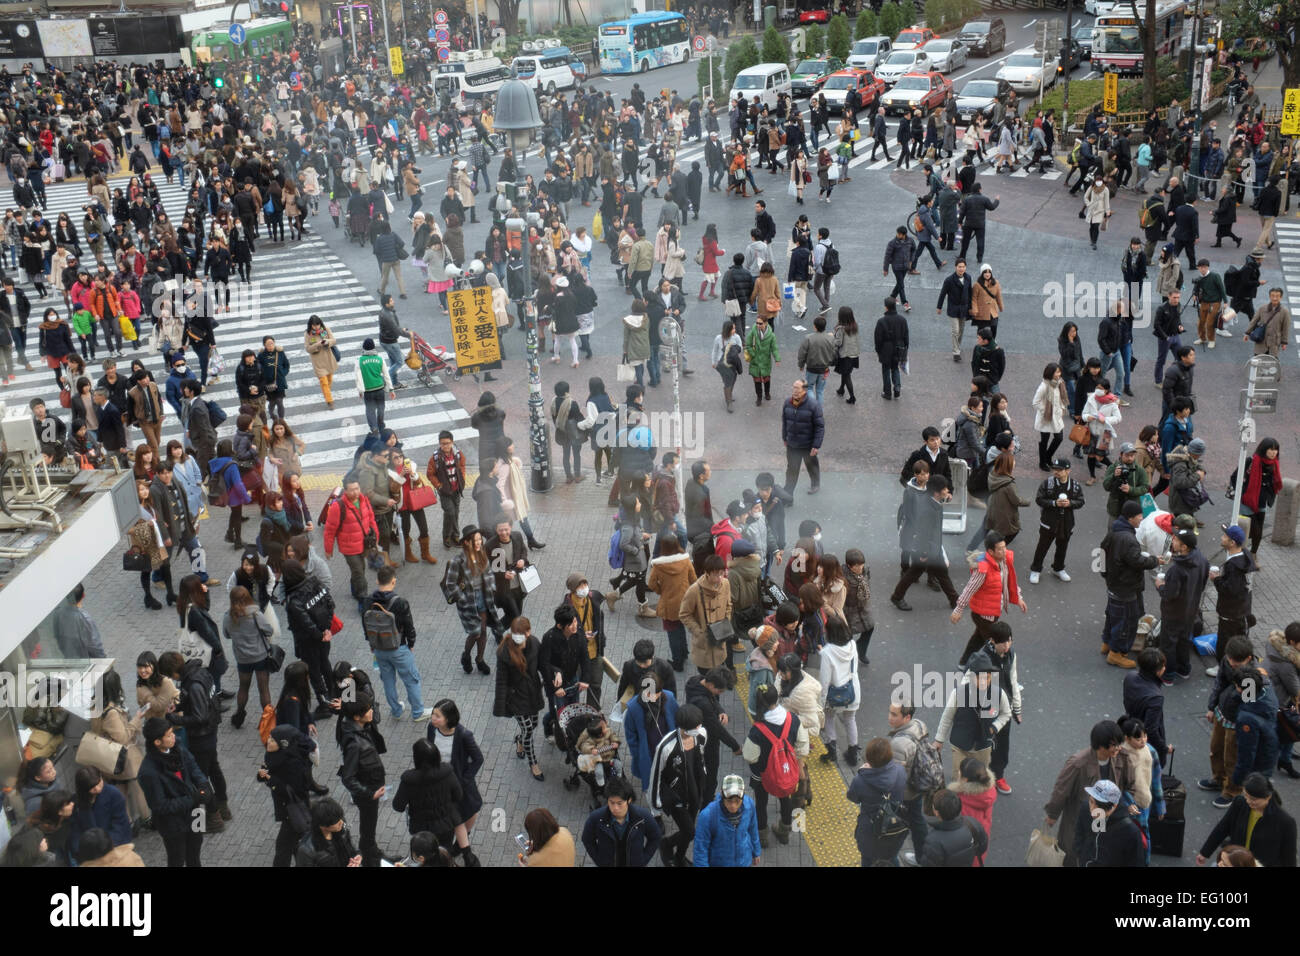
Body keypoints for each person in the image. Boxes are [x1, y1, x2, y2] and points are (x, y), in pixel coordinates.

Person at [1043, 719, 1135, 867]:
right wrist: (1052, 814)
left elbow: (1130, 784)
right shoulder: (1078, 763)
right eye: (1114, 744)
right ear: (1100, 745)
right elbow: (1061, 790)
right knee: (1075, 855)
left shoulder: (1121, 757)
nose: (1118, 748)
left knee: (1102, 854)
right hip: (1080, 819)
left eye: (1119, 743)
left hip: (1108, 819)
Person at [743, 681, 807, 847]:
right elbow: (801, 742)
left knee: (761, 803)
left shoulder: (758, 729)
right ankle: (784, 832)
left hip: (762, 775)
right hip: (785, 771)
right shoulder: (792, 719)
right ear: (776, 698)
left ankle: (762, 838)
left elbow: (750, 756)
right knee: (785, 799)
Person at [137, 717, 208, 867]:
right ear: (157, 742)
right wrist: (192, 798)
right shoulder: (148, 772)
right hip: (172, 824)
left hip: (196, 813)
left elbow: (193, 767)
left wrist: (203, 784)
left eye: (172, 732)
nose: (174, 736)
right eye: (169, 735)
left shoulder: (178, 747)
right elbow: (160, 805)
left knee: (195, 853)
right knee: (177, 858)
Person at [1196, 773, 1296, 867]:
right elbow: (1222, 828)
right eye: (1246, 795)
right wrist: (1205, 852)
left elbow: (1288, 857)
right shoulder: (1240, 802)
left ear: (1268, 797)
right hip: (1234, 860)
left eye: (1253, 799)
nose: (1248, 801)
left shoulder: (1286, 822)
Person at [338, 691, 390, 867]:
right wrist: (369, 794)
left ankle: (370, 848)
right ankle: (369, 855)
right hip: (368, 791)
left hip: (371, 786)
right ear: (356, 716)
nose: (371, 712)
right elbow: (348, 778)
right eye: (367, 710)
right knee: (368, 823)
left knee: (369, 823)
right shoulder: (354, 743)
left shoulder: (357, 727)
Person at [495, 616, 546, 783]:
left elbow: (543, 666)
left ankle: (519, 740)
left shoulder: (535, 644)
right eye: (514, 633)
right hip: (517, 699)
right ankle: (533, 763)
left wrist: (553, 681)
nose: (517, 637)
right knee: (529, 731)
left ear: (528, 632)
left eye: (520, 633)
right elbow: (501, 680)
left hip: (533, 694)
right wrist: (501, 706)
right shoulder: (505, 652)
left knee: (533, 725)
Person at [257, 724, 316, 867]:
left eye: (272, 740)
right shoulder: (273, 755)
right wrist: (262, 775)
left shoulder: (294, 763)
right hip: (287, 808)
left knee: (283, 847)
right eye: (269, 738)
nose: (268, 741)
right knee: (296, 843)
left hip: (293, 809)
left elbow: (294, 790)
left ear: (283, 743)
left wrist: (270, 780)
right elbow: (266, 769)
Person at [1157, 528, 1210, 681]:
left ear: (1184, 547)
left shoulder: (1177, 569)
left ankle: (1168, 674)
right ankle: (1184, 669)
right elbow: (1203, 582)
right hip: (1191, 609)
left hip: (1174, 612)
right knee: (1184, 640)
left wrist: (1160, 585)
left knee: (1168, 644)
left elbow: (1169, 594)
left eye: (1176, 540)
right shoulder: (1202, 560)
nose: (1173, 541)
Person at [323, 478, 382, 615]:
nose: (355, 492)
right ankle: (363, 600)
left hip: (365, 543)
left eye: (357, 488)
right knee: (359, 572)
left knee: (360, 568)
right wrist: (328, 549)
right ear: (345, 491)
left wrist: (376, 537)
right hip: (348, 546)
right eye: (352, 490)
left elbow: (371, 519)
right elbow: (330, 529)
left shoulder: (364, 500)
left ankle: (354, 588)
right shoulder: (338, 506)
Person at [846, 736, 908, 866]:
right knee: (891, 857)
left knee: (868, 860)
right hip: (894, 826)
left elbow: (852, 797)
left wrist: (862, 771)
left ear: (868, 758)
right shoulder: (900, 771)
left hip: (871, 830)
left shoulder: (860, 780)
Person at [580, 776, 663, 867]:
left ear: (629, 800)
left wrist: (643, 860)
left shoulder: (643, 817)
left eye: (619, 803)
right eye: (612, 802)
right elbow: (587, 839)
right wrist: (600, 861)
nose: (615, 808)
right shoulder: (595, 818)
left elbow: (655, 836)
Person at [1230, 437, 1283, 559]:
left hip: (1262, 502)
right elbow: (1234, 477)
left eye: (1276, 450)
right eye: (1271, 449)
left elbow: (1274, 483)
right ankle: (1240, 554)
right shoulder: (1251, 461)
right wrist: (1243, 493)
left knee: (1258, 531)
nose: (1274, 452)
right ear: (1264, 449)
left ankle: (1253, 554)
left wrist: (1269, 493)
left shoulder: (1274, 464)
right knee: (1255, 531)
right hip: (1247, 502)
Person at [694, 774, 762, 867]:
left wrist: (756, 851)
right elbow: (700, 849)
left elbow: (753, 829)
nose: (733, 805)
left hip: (744, 861)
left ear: (743, 796)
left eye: (737, 801)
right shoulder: (707, 816)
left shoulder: (749, 805)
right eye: (729, 800)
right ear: (722, 795)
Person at [1124, 649, 1171, 767]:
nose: (1164, 668)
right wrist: (1164, 748)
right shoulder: (1155, 697)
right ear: (1157, 671)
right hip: (1145, 742)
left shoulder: (1130, 676)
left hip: (1131, 726)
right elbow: (1151, 730)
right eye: (1163, 666)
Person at [781, 378, 823, 495]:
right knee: (792, 470)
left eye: (797, 388)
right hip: (792, 444)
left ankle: (815, 484)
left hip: (807, 444)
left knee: (811, 465)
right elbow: (784, 421)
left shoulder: (813, 405)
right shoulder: (787, 402)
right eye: (793, 387)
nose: (794, 390)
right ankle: (788, 494)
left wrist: (816, 445)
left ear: (804, 390)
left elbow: (820, 426)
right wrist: (785, 437)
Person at [296, 798, 362, 868]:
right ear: (322, 825)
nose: (342, 822)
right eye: (336, 821)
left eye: (340, 817)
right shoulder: (307, 850)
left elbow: (351, 848)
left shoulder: (341, 826)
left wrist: (357, 856)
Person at [873, 297, 908, 402]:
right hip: (899, 347)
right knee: (895, 368)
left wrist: (878, 350)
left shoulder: (881, 321)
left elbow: (878, 339)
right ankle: (897, 389)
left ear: (886, 307)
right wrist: (905, 348)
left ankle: (887, 392)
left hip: (886, 349)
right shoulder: (902, 320)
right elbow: (906, 336)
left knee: (886, 370)